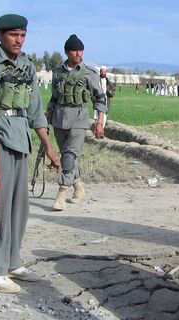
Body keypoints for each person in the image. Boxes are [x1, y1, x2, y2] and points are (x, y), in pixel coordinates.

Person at [0, 14, 60, 293]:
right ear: (0, 36)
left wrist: (49, 147)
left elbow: (35, 110)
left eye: (22, 35)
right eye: (13, 35)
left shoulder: (27, 67)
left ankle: (11, 261)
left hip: (20, 139)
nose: (18, 40)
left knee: (19, 207)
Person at [46, 34, 106, 211]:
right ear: (66, 52)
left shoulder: (89, 73)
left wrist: (99, 123)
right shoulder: (57, 73)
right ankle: (78, 186)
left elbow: (100, 99)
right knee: (68, 157)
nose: (78, 53)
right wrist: (47, 118)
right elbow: (54, 98)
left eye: (81, 49)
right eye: (74, 50)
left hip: (79, 119)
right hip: (59, 119)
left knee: (69, 155)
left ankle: (62, 192)